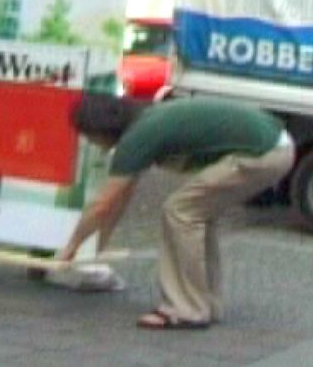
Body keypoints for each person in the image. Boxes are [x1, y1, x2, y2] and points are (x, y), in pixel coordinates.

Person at [59, 94, 295, 329]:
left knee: (180, 212)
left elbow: (103, 204)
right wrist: (95, 248)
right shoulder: (146, 120)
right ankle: (207, 304)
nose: (90, 143)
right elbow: (118, 200)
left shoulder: (137, 138)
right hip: (275, 146)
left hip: (263, 154)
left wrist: (72, 245)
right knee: (197, 214)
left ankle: (187, 309)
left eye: (88, 137)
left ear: (101, 130)